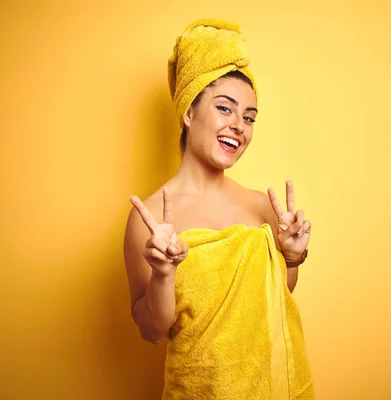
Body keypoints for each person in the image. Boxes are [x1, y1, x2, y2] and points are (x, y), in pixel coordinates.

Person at [124, 19, 315, 399]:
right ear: (189, 113)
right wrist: (163, 274)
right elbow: (152, 330)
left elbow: (275, 299)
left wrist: (292, 260)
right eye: (225, 109)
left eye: (248, 117)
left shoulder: (264, 206)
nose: (238, 126)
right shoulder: (150, 218)